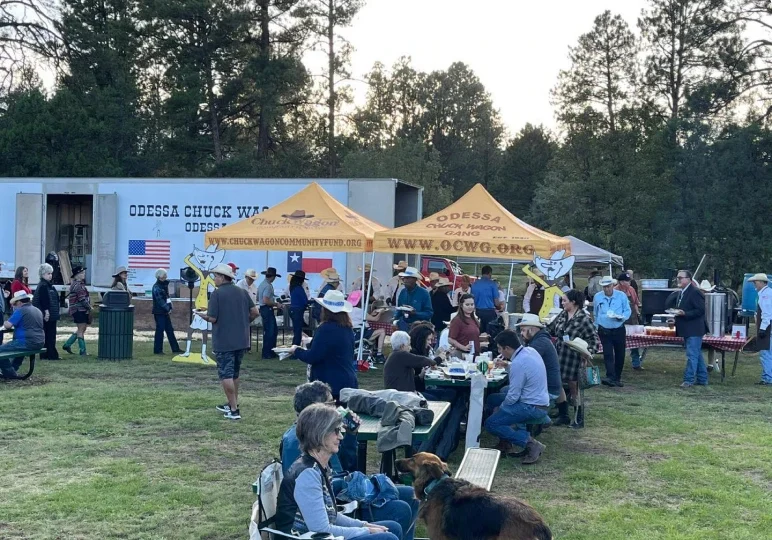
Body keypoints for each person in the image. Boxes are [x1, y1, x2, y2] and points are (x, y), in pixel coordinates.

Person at [280, 382, 419, 540]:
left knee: (395, 520)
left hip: (334, 512)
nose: (340, 436)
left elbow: (331, 513)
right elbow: (322, 528)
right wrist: (366, 531)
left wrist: (364, 525)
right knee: (391, 529)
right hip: (312, 534)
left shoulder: (319, 462)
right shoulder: (307, 469)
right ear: (319, 431)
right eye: (331, 404)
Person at [197, 263, 258, 420]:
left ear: (223, 277)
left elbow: (213, 318)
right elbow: (255, 312)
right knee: (235, 373)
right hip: (241, 339)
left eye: (216, 276)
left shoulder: (217, 294)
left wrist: (201, 315)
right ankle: (233, 403)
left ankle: (233, 410)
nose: (214, 279)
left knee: (226, 374)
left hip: (224, 340)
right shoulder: (243, 292)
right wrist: (245, 322)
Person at [484, 330, 549, 464]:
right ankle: (505, 442)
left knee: (491, 423)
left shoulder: (519, 363)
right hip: (540, 399)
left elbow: (513, 396)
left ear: (507, 348)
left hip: (531, 406)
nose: (500, 352)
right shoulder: (529, 351)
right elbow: (524, 369)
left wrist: (501, 408)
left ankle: (531, 444)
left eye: (500, 349)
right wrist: (507, 365)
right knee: (492, 399)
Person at [291, 290, 357, 401]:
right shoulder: (347, 328)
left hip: (331, 384)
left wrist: (296, 350)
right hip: (347, 380)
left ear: (325, 310)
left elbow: (313, 356)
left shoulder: (325, 328)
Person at [546, 290, 598, 428]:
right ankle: (563, 414)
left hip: (575, 359)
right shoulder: (562, 314)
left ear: (573, 302)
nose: (562, 303)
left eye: (564, 300)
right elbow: (550, 329)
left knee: (574, 388)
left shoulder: (584, 319)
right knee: (558, 384)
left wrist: (588, 353)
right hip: (560, 356)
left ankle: (578, 418)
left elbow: (594, 340)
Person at [515, 314, 566, 424]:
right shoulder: (540, 339)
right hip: (548, 387)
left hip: (547, 390)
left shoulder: (539, 343)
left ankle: (538, 420)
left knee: (511, 394)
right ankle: (542, 419)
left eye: (523, 330)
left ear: (532, 329)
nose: (521, 334)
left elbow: (523, 361)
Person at [666, 270, 709, 388]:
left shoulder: (695, 292)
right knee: (697, 355)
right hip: (687, 329)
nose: (678, 280)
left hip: (694, 329)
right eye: (677, 278)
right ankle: (702, 379)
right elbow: (683, 310)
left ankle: (688, 380)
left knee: (692, 355)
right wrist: (676, 319)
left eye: (681, 278)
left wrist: (684, 313)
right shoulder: (681, 292)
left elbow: (701, 310)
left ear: (689, 279)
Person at [593, 276, 631, 387]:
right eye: (604, 287)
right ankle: (610, 376)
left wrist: (622, 317)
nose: (606, 289)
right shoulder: (597, 297)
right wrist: (596, 325)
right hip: (604, 328)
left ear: (613, 285)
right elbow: (596, 312)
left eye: (608, 286)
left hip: (618, 327)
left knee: (620, 353)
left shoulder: (621, 296)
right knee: (608, 353)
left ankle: (617, 377)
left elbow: (627, 310)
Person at [0, 291, 45, 378]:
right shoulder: (37, 310)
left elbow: (8, 325)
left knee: (1, 350)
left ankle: (9, 373)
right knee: (17, 348)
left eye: (14, 304)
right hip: (40, 341)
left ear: (20, 302)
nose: (13, 306)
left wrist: (5, 322)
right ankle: (13, 369)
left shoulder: (21, 310)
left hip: (26, 341)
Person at [32, 263, 60, 360]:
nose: (50, 275)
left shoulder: (48, 285)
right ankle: (49, 354)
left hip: (51, 313)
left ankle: (49, 354)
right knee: (49, 334)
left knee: (49, 334)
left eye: (51, 273)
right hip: (47, 314)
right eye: (48, 273)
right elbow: (44, 301)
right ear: (43, 274)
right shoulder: (43, 286)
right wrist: (46, 312)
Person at [349, 290, 386, 363]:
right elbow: (375, 319)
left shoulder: (348, 310)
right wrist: (380, 313)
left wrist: (372, 314)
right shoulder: (360, 311)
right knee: (382, 331)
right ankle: (379, 354)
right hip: (362, 333)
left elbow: (363, 318)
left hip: (353, 333)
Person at [748, 273, 772, 385]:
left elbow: (767, 313)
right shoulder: (766, 293)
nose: (754, 283)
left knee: (765, 353)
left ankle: (767, 378)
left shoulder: (765, 295)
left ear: (762, 282)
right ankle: (767, 376)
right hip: (768, 326)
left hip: (767, 327)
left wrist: (762, 329)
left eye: (756, 281)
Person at [152, 269, 182, 356]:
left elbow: (167, 297)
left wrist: (170, 306)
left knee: (170, 330)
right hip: (159, 312)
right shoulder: (156, 287)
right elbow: (160, 301)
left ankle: (175, 348)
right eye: (163, 275)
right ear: (159, 276)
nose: (165, 277)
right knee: (160, 330)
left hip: (164, 311)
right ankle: (158, 350)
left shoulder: (164, 285)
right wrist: (167, 308)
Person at [616, 273, 643, 370]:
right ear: (621, 282)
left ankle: (636, 363)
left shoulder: (631, 289)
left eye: (629, 280)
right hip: (620, 320)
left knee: (635, 341)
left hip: (632, 319)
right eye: (627, 281)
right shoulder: (615, 291)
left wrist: (638, 314)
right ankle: (618, 363)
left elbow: (635, 303)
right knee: (620, 342)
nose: (629, 282)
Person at [63, 266, 91, 356]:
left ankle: (67, 344)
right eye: (81, 273)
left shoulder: (77, 284)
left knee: (81, 328)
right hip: (79, 309)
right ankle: (82, 351)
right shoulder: (78, 285)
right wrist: (89, 307)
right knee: (81, 330)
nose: (84, 274)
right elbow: (82, 299)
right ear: (76, 275)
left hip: (78, 309)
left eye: (83, 273)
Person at [393, 267, 432, 332]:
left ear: (414, 279)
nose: (405, 281)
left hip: (418, 327)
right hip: (404, 325)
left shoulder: (424, 293)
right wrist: (394, 318)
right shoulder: (403, 292)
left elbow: (429, 313)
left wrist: (415, 313)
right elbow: (399, 309)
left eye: (408, 278)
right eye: (404, 278)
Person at [471, 265, 501, 334]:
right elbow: (496, 302)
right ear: (490, 273)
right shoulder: (492, 284)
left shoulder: (474, 284)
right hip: (489, 313)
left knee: (477, 334)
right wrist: (499, 307)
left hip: (477, 312)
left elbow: (471, 299)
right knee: (490, 335)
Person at [258, 267, 280, 359]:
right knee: (270, 331)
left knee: (271, 330)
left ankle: (270, 351)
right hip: (267, 309)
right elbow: (266, 300)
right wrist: (276, 304)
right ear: (273, 277)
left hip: (264, 309)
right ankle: (267, 353)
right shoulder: (268, 286)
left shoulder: (262, 284)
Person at [289, 270, 311, 346]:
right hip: (298, 311)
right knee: (298, 332)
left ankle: (295, 347)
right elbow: (304, 300)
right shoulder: (299, 288)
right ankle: (295, 349)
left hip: (294, 310)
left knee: (297, 331)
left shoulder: (293, 287)